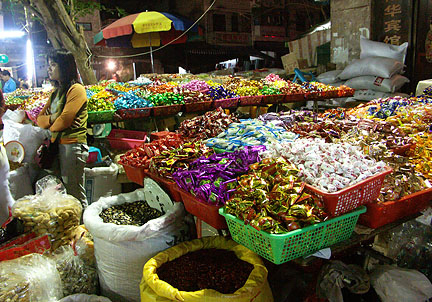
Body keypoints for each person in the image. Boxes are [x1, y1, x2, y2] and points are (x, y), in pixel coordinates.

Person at [37, 49, 89, 207]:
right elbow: (40, 120)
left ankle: (83, 227)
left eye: (53, 65)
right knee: (62, 190)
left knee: (74, 191)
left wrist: (54, 121)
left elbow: (63, 122)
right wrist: (54, 118)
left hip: (72, 146)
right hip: (57, 145)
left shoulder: (76, 90)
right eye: (49, 65)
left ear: (65, 67)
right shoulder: (55, 93)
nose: (49, 68)